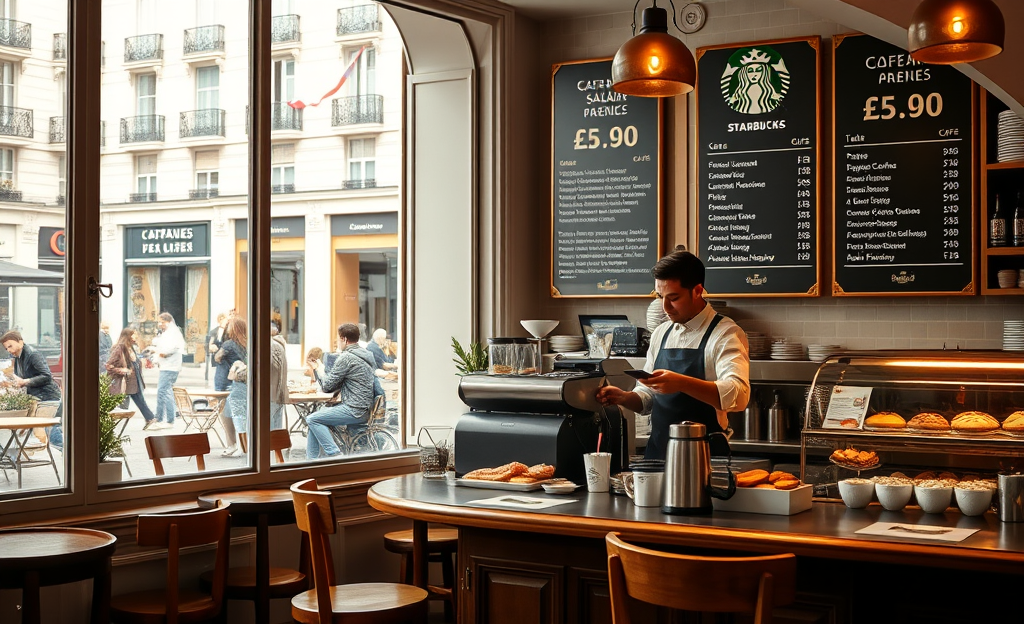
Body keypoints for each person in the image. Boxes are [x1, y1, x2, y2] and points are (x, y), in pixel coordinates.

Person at [596, 250, 750, 460]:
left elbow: (739, 395)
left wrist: (681, 383)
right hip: (658, 454)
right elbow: (648, 396)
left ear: (697, 291)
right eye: (660, 297)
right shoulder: (661, 332)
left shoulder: (725, 333)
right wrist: (625, 398)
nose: (666, 307)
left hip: (704, 459)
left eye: (674, 298)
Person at [306, 323, 377, 459]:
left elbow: (327, 386)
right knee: (316, 419)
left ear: (344, 339)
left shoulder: (346, 357)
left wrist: (318, 368)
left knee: (312, 419)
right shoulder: (367, 355)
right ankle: (311, 462)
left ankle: (335, 455)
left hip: (354, 409)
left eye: (338, 339)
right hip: (365, 408)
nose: (337, 342)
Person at [1, 330, 64, 450]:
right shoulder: (18, 357)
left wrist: (25, 381)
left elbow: (46, 376)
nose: (9, 350)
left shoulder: (33, 354)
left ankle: (67, 453)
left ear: (20, 341)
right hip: (39, 398)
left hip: (48, 397)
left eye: (10, 346)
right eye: (6, 348)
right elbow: (20, 378)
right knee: (39, 429)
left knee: (46, 429)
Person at [106, 328, 157, 428]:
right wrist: (123, 370)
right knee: (122, 406)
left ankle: (150, 418)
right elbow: (109, 366)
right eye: (134, 335)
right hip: (125, 381)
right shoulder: (120, 348)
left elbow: (134, 362)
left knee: (139, 399)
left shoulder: (131, 347)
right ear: (128, 336)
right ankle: (108, 424)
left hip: (134, 380)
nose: (136, 337)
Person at [215, 317, 247, 456]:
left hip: (224, 381)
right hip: (240, 383)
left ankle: (231, 444)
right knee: (239, 414)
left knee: (225, 414)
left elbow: (217, 357)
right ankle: (241, 445)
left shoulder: (228, 344)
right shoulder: (247, 343)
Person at [147, 312, 185, 429]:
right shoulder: (170, 332)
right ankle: (169, 419)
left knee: (162, 391)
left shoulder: (172, 332)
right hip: (169, 365)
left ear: (168, 322)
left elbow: (171, 348)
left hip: (170, 366)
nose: (160, 324)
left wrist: (158, 351)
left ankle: (160, 418)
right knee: (167, 391)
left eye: (162, 322)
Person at [269, 319, 288, 431]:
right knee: (276, 423)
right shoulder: (277, 344)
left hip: (272, 392)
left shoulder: (273, 346)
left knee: (273, 426)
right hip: (275, 391)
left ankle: (274, 448)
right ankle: (276, 448)